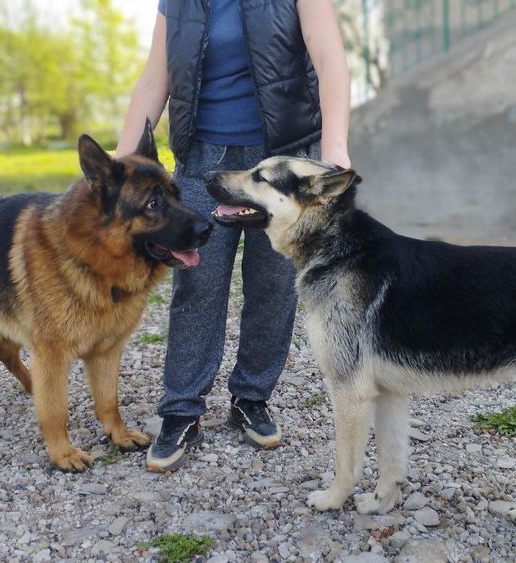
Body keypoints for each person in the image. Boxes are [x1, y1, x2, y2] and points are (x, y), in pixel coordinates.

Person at [114, 0, 350, 472]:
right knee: (196, 284)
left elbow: (329, 59)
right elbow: (154, 79)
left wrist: (334, 151)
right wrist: (122, 164)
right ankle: (181, 409)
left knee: (273, 286)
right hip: (203, 158)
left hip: (281, 159)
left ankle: (251, 397)